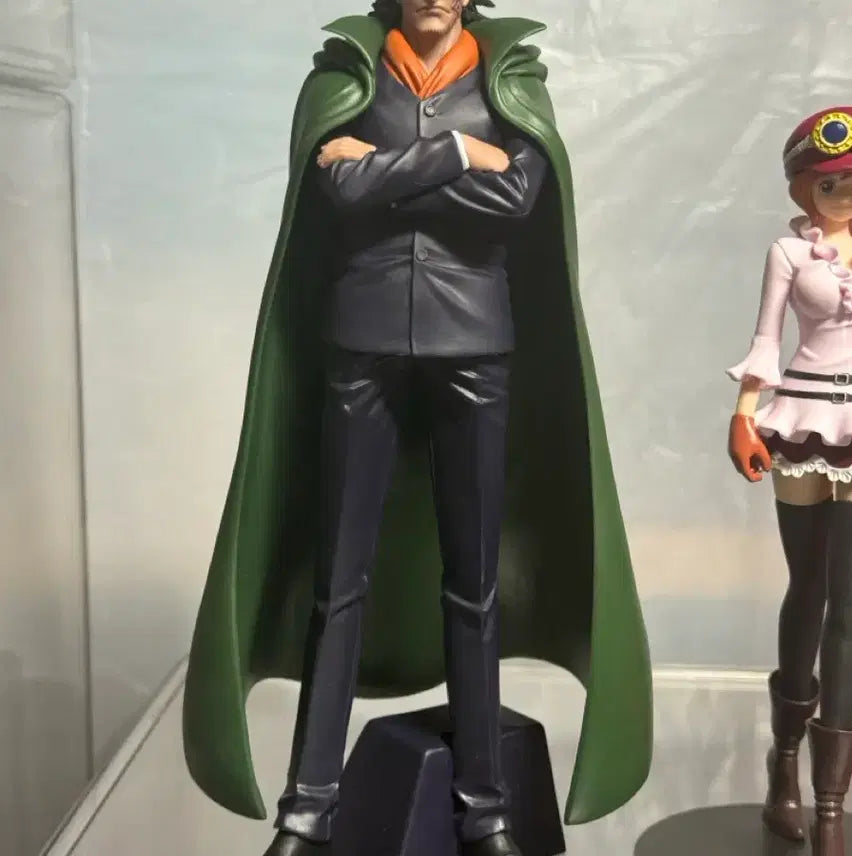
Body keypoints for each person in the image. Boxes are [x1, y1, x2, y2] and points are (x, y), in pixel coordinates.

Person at [182, 2, 653, 855]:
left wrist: (387, 169)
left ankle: (485, 808)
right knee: (339, 583)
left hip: (474, 345)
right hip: (361, 344)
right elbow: (337, 194)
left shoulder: (512, 81)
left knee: (474, 586)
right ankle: (308, 806)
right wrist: (459, 154)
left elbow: (516, 197)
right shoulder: (346, 78)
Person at [728, 106, 852, 856]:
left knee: (851, 604)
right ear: (806, 186)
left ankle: (832, 802)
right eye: (830, 184)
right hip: (800, 420)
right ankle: (785, 770)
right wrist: (743, 417)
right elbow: (766, 339)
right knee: (806, 588)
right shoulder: (789, 251)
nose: (844, 195)